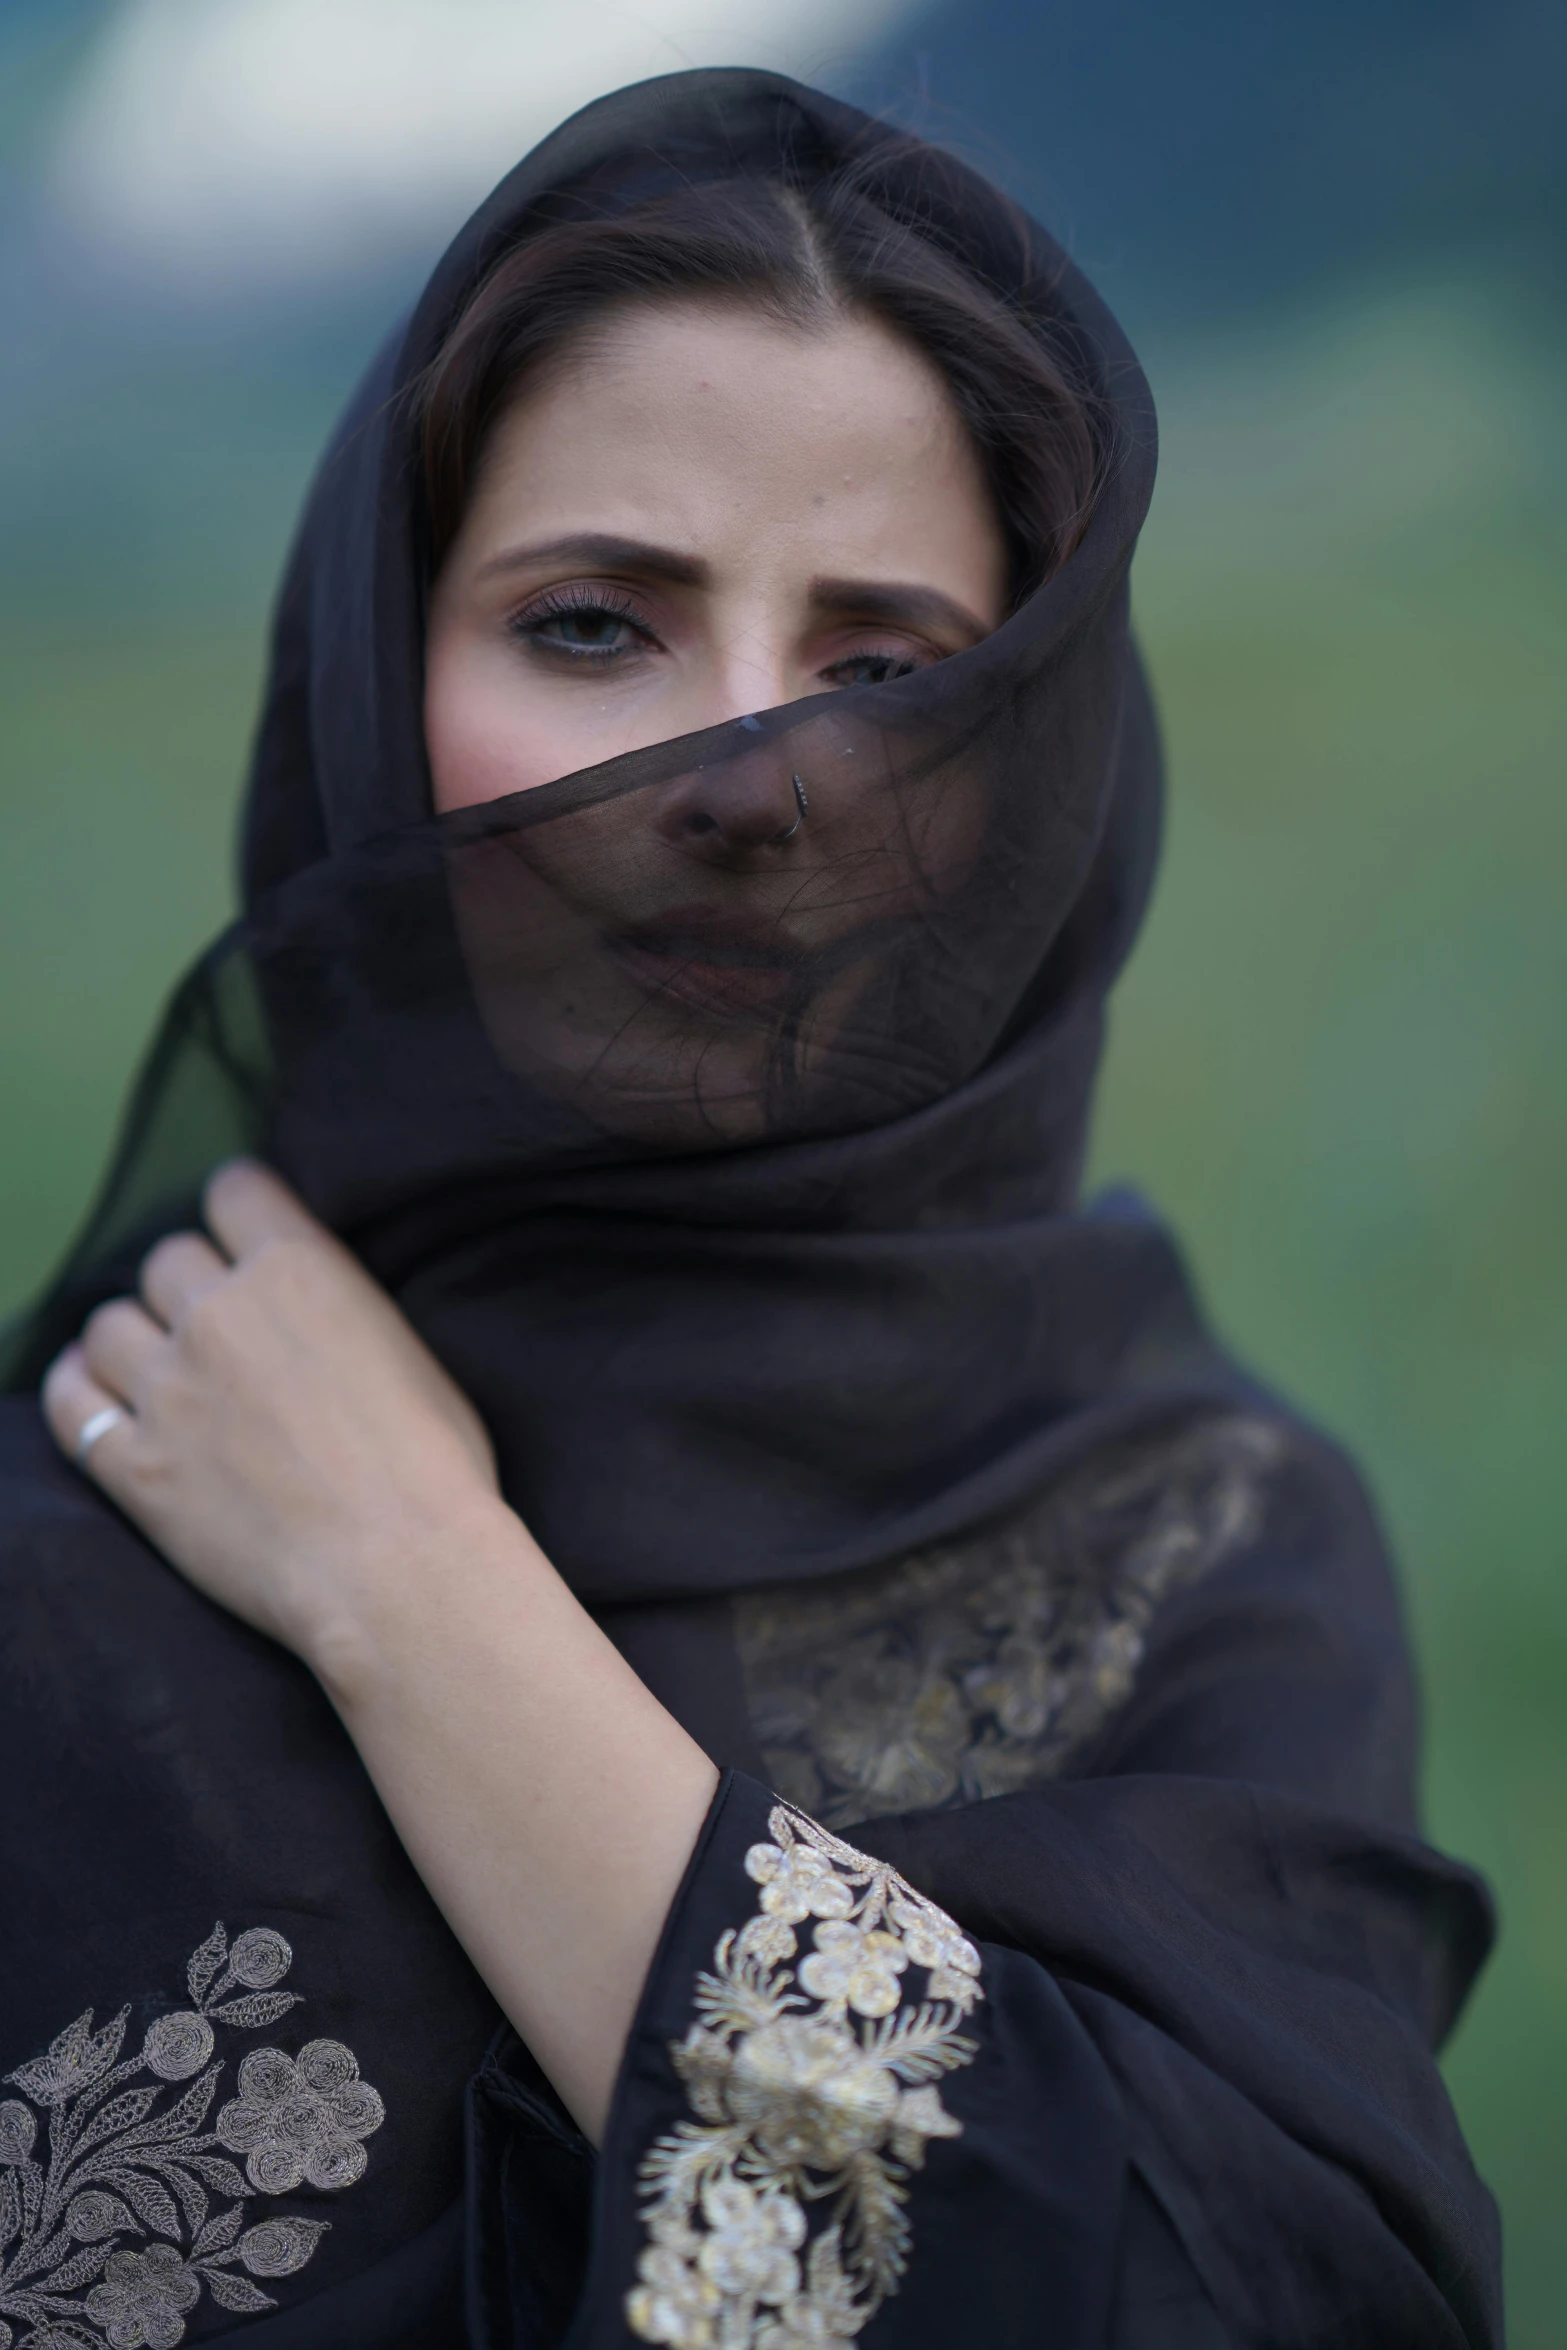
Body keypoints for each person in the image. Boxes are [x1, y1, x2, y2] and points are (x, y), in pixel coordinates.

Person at [0, 68, 1499, 2350]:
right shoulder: (98, 1464)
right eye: (597, 622)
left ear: (1030, 769)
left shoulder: (1205, 1543)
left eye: (889, 671)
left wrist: (412, 1583)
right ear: (378, 679)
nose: (748, 778)